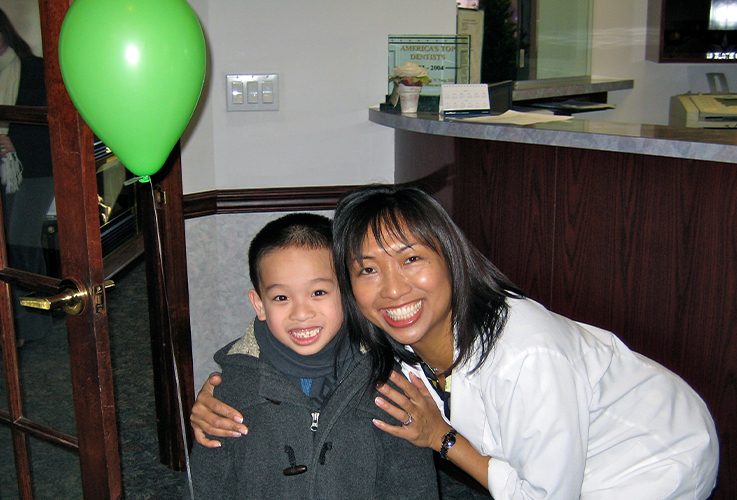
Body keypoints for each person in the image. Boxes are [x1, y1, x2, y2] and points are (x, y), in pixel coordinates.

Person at [193, 185, 720, 500]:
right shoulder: (383, 327)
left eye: (412, 259)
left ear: (451, 257)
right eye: (369, 269)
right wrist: (215, 395)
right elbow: (284, 330)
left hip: (649, 458)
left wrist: (443, 439)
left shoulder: (526, 354)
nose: (393, 288)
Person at [187, 212, 438, 499]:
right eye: (281, 298)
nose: (301, 313)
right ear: (259, 304)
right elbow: (210, 483)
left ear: (347, 292)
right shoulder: (232, 389)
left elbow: (412, 480)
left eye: (318, 292)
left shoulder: (385, 378)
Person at [0, 8, 54, 345]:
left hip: (33, 170)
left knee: (21, 242)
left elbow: (51, 127)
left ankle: (32, 324)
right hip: (6, 172)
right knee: (8, 247)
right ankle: (15, 323)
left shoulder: (35, 70)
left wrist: (11, 140)